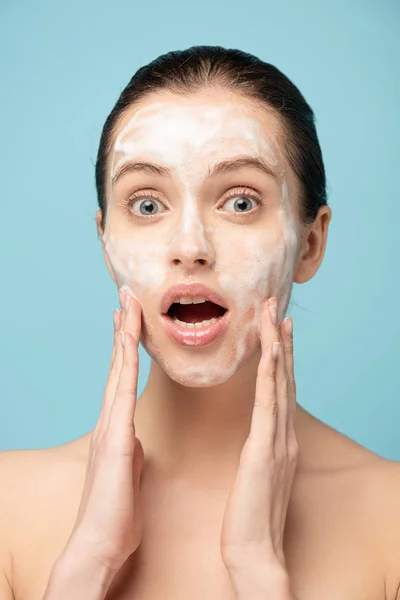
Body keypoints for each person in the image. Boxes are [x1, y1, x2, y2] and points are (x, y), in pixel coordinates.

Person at [0, 45, 399, 600]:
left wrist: (258, 569)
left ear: (310, 243)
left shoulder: (392, 525)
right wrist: (87, 562)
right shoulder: (6, 510)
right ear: (105, 242)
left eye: (240, 202)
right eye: (145, 204)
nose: (190, 248)